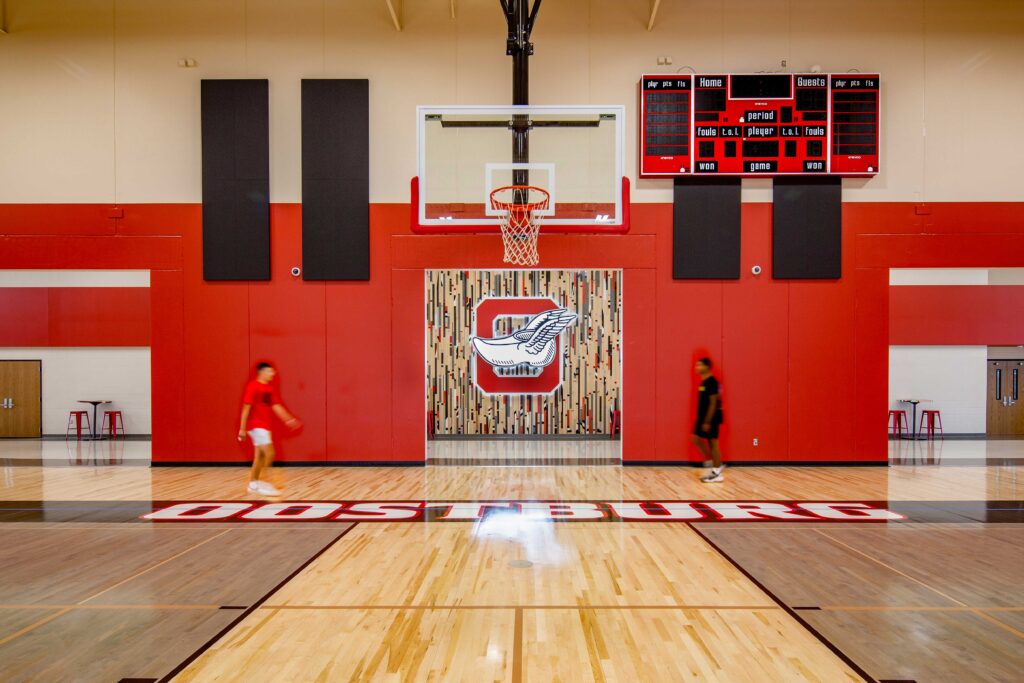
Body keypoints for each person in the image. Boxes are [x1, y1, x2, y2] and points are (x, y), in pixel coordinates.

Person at [238, 362, 300, 496]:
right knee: (269, 453)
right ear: (262, 372)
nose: (273, 374)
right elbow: (246, 407)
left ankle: (253, 484)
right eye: (270, 371)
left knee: (259, 457)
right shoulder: (253, 386)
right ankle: (261, 483)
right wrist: (242, 429)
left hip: (264, 426)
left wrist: (289, 419)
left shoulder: (269, 388)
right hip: (256, 426)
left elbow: (276, 406)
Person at [691, 357, 725, 483]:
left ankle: (716, 472)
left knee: (713, 444)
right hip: (703, 417)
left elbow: (713, 402)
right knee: (696, 439)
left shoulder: (712, 382)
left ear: (707, 367)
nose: (697, 368)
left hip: (711, 418)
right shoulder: (704, 382)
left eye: (699, 365)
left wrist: (707, 421)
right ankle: (712, 464)